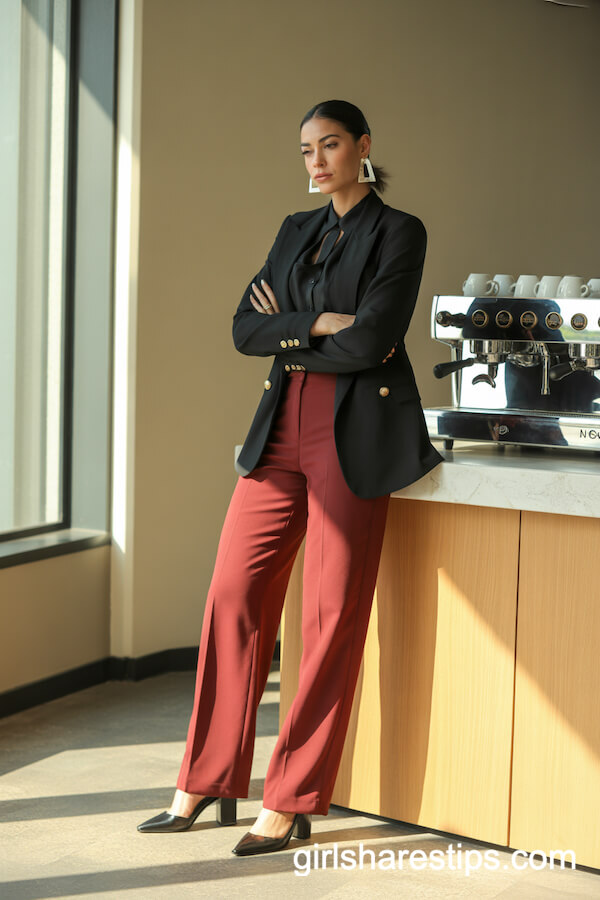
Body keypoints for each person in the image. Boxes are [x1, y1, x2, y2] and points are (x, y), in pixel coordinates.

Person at [137, 99, 443, 856]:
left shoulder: (399, 231)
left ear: (363, 146)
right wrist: (315, 323)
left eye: (330, 144)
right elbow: (245, 328)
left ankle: (295, 796)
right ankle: (207, 780)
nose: (315, 161)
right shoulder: (295, 231)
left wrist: (295, 328)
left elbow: (374, 338)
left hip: (354, 433)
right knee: (233, 595)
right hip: (280, 430)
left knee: (328, 615)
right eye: (305, 148)